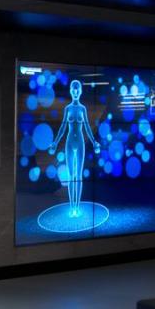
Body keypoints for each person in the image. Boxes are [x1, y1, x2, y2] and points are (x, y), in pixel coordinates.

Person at [50, 78, 101, 218]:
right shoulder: (68, 109)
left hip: (80, 143)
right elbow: (62, 128)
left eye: (78, 89)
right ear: (71, 91)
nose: (76, 91)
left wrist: (94, 141)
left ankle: (76, 208)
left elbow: (87, 128)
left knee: (78, 176)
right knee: (71, 175)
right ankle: (72, 207)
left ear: (81, 91)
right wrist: (55, 142)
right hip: (69, 143)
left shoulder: (82, 109)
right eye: (74, 89)